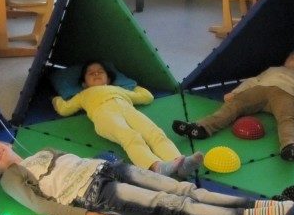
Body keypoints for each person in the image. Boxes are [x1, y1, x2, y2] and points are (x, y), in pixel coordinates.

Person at [0, 137, 294, 215]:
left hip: (107, 168)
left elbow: (74, 160)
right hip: (96, 192)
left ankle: (251, 204)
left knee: (183, 189)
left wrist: (103, 165)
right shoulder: (11, 177)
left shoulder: (41, 151)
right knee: (172, 204)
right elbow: (39, 204)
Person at [52, 60, 203, 179]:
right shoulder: (83, 95)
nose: (96, 73)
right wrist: (55, 99)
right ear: (84, 83)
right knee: (131, 137)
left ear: (108, 78)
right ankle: (156, 166)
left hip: (128, 110)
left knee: (155, 133)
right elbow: (65, 108)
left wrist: (133, 86)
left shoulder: (119, 89)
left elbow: (146, 97)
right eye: (91, 73)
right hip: (104, 114)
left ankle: (179, 163)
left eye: (100, 71)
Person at [172, 49, 294, 162]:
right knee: (235, 105)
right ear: (286, 60)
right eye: (293, 56)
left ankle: (291, 145)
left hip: (286, 93)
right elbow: (253, 81)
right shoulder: (273, 70)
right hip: (261, 89)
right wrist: (236, 92)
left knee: (288, 118)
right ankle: (202, 127)